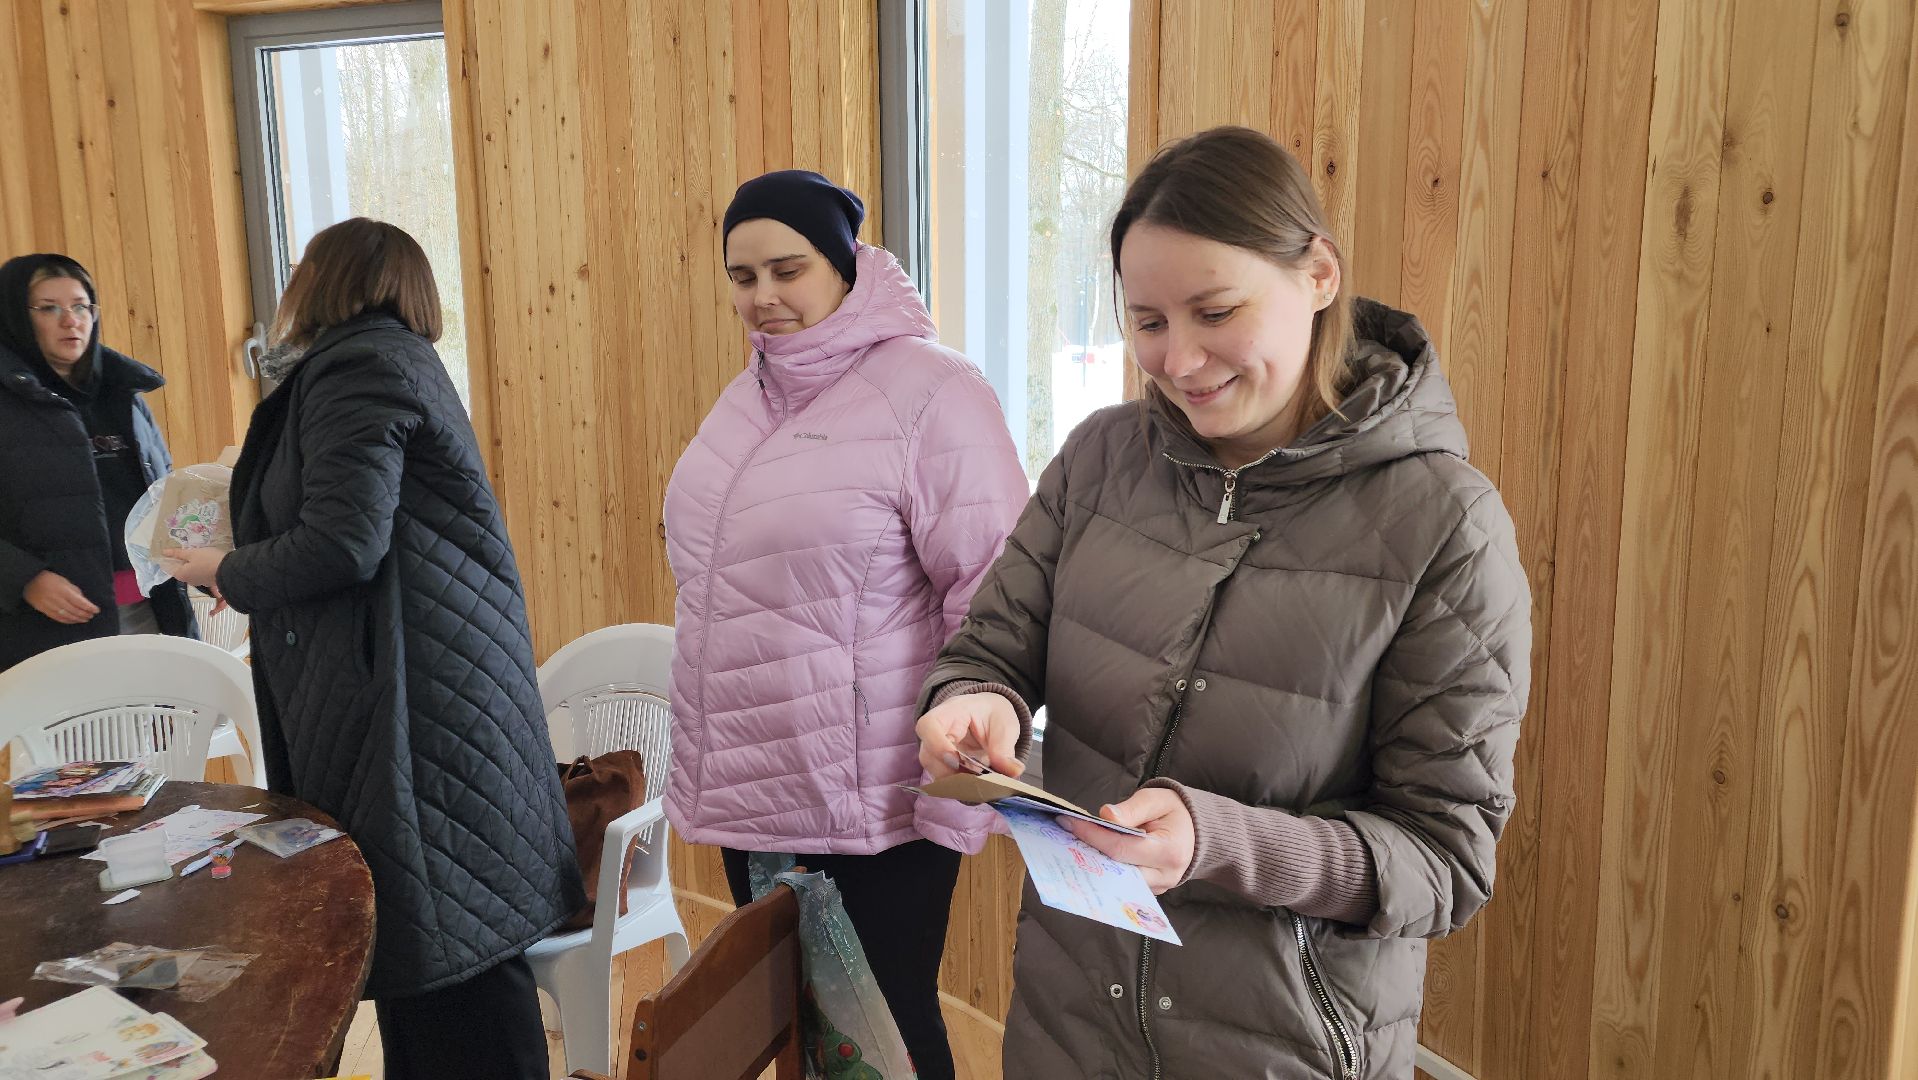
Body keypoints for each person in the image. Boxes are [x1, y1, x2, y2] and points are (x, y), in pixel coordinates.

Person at [915, 126, 1531, 1080]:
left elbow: (1443, 857)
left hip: (1284, 1050)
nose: (1180, 360)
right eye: (1148, 322)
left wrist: (1220, 842)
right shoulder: (1100, 459)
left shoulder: (1444, 524)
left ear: (1318, 274)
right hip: (1067, 1025)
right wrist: (975, 701)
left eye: (1215, 311)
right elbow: (991, 648)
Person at [166, 218, 583, 1080]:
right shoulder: (393, 360)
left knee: (449, 955)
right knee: (445, 948)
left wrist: (227, 569)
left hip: (409, 702)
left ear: (325, 280)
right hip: (424, 688)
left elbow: (343, 542)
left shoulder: (356, 369)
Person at [663, 169, 1029, 1079]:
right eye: (742, 277)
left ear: (845, 264)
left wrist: (963, 793)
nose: (763, 297)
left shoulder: (933, 391)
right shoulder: (748, 397)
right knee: (795, 1028)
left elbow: (997, 590)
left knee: (884, 1035)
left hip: (875, 801)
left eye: (788, 270)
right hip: (755, 789)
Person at [0, 253, 197, 670]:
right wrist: (24, 579)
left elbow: (164, 494)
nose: (70, 320)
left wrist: (204, 561)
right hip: (45, 626)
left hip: (150, 606)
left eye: (80, 306)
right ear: (15, 317)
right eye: (49, 308)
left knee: (166, 711)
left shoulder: (123, 393)